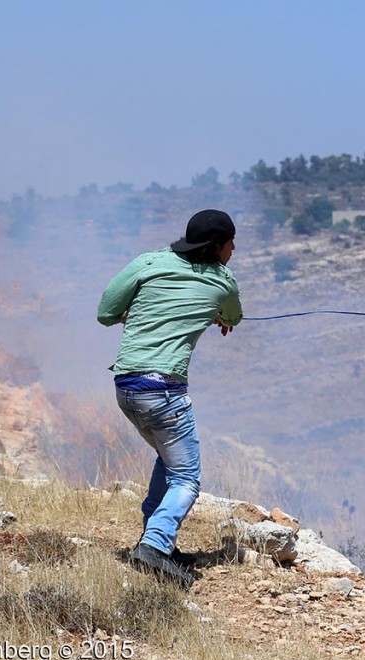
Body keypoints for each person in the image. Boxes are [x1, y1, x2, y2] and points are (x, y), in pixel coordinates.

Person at [97, 209, 242, 588]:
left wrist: (139, 312)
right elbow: (234, 316)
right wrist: (214, 315)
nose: (233, 249)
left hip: (126, 387)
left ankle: (157, 537)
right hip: (163, 392)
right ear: (216, 247)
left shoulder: (148, 262)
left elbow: (106, 313)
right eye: (231, 243)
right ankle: (155, 546)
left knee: (168, 458)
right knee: (188, 479)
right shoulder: (223, 281)